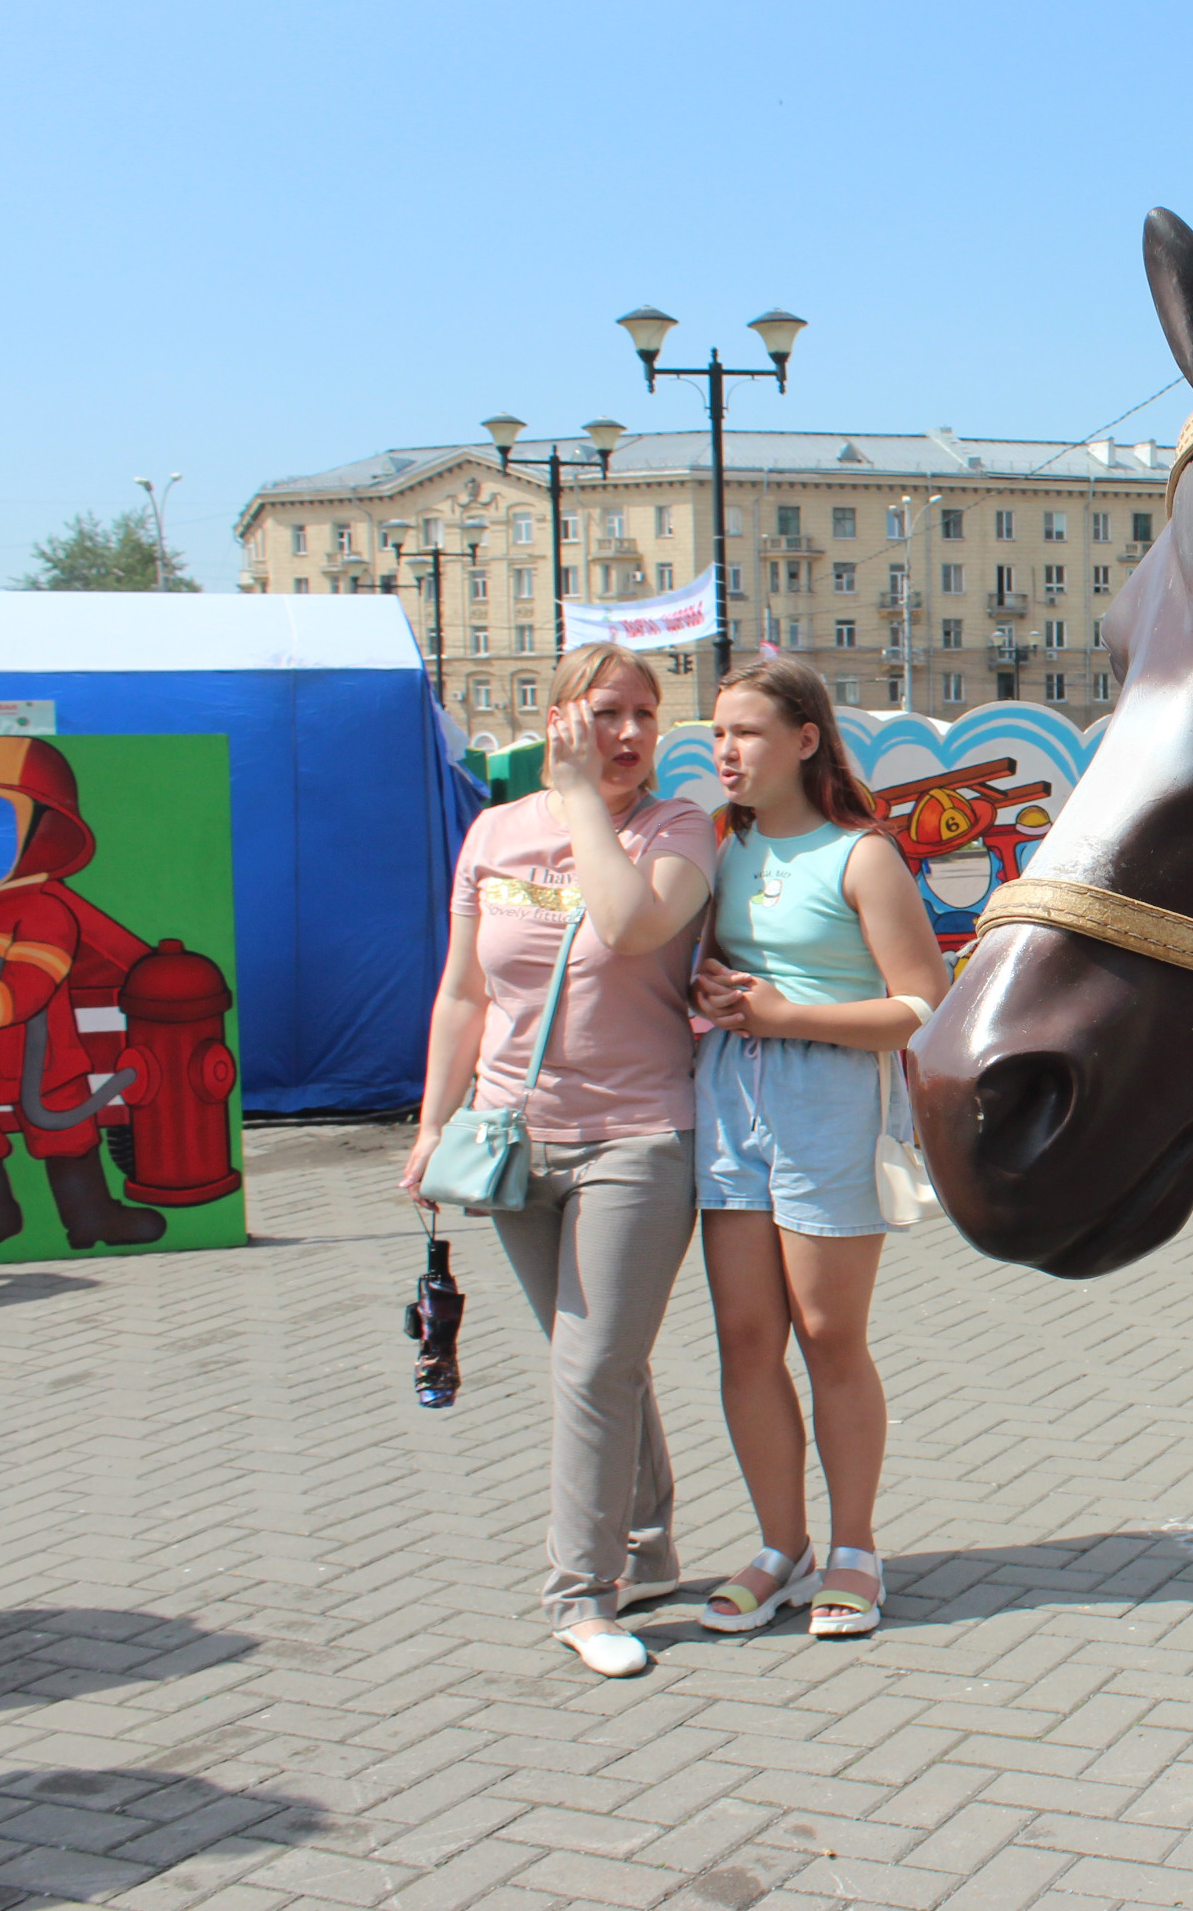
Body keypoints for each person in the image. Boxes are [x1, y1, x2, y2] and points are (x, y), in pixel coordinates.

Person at [405, 642, 717, 1679]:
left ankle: (580, 1594)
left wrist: (583, 798)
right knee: (598, 1361)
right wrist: (429, 1124)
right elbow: (463, 993)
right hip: (510, 1138)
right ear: (560, 714)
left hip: (637, 1134)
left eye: (645, 713)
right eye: (607, 711)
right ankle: (651, 1543)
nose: (630, 733)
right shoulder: (494, 832)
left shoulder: (676, 827)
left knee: (590, 1367)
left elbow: (630, 925)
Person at [690, 659, 948, 1641]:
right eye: (718, 732)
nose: (726, 750)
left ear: (806, 739)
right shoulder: (724, 847)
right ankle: (778, 1546)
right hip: (730, 1098)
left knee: (827, 1333)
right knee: (747, 1338)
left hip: (830, 1100)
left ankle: (853, 1548)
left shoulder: (861, 854)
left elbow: (924, 1003)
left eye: (747, 732)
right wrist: (712, 998)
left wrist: (787, 1010)